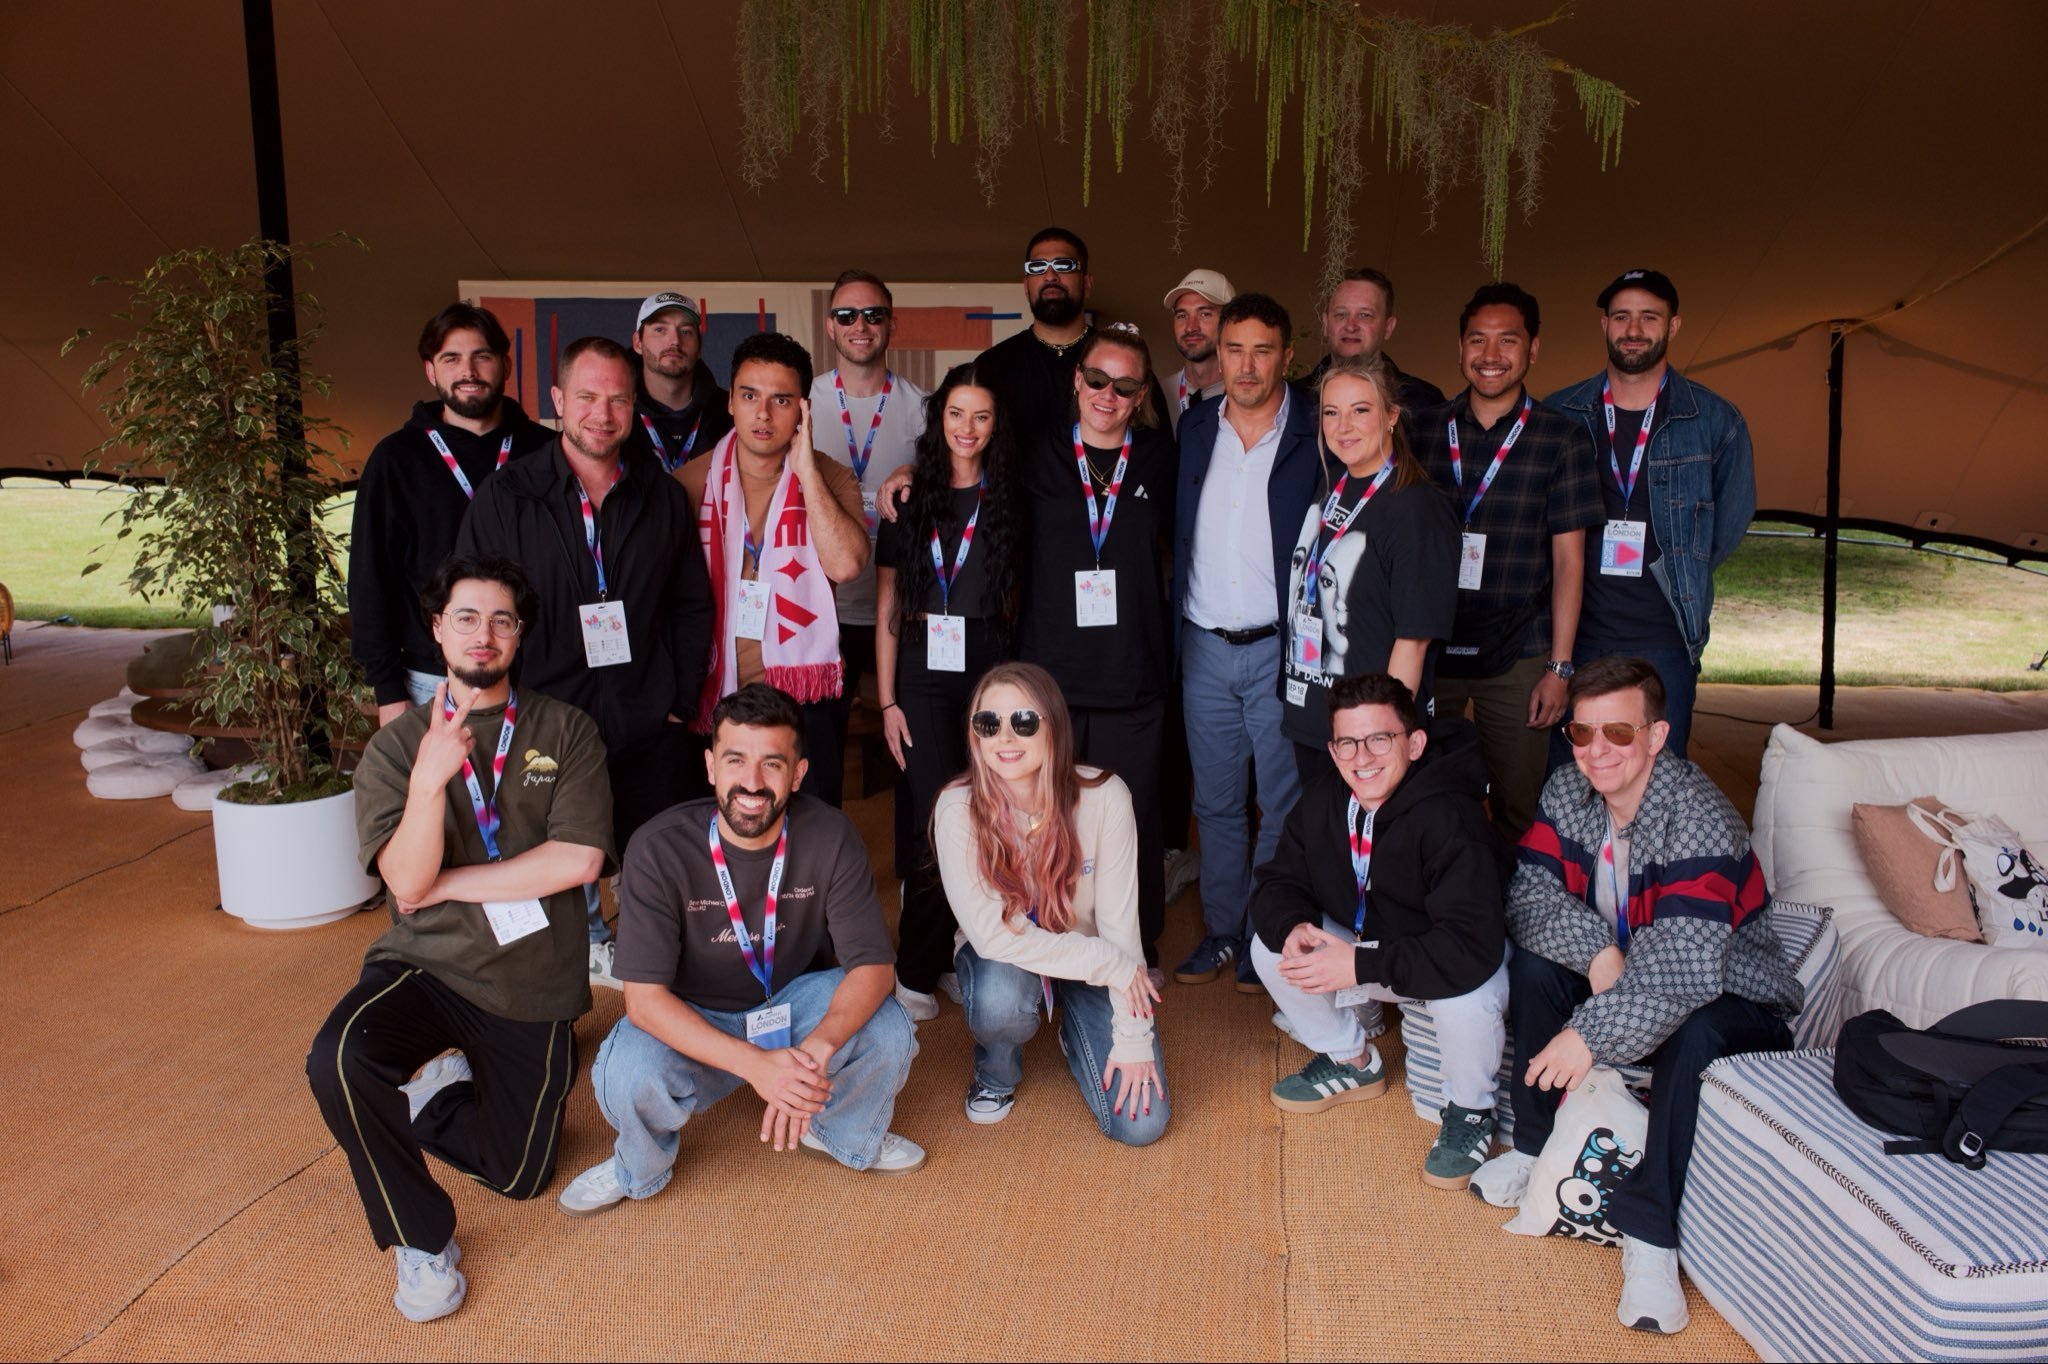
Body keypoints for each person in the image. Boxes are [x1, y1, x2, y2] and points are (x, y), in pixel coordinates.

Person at [305, 553, 614, 1323]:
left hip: (533, 976)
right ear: (438, 629)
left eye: (502, 619)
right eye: (467, 618)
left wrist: (445, 886)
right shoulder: (396, 750)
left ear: (520, 634)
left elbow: (578, 861)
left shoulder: (566, 729)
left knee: (521, 1176)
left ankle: (437, 1098)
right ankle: (421, 1240)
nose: (485, 634)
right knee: (339, 1058)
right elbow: (405, 880)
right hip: (427, 964)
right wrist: (427, 781)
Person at [1469, 655, 1803, 1335]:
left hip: (1736, 998)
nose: (1597, 751)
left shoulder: (1699, 817)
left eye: (1618, 733)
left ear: (1656, 736)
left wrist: (1588, 1034)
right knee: (1535, 967)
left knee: (1697, 1027)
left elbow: (1684, 969)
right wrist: (1599, 955)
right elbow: (1527, 898)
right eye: (1582, 732)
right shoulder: (1568, 789)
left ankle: (1651, 1236)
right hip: (1624, 971)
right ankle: (1535, 1147)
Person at [556, 684, 925, 1217]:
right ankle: (637, 1165)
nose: (752, 782)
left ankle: (837, 1131)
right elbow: (644, 1002)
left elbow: (873, 967)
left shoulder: (831, 834)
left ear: (797, 773)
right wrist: (758, 1067)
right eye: (736, 760)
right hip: (696, 1012)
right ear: (711, 766)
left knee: (889, 1028)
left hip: (791, 1003)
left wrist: (817, 1051)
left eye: (772, 763)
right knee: (627, 1073)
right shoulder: (658, 847)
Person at [457, 336, 716, 989]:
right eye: (587, 397)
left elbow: (691, 605)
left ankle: (647, 948)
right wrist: (499, 706)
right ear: (557, 400)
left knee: (652, 845)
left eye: (618, 400)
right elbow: (477, 609)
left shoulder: (659, 495)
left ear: (635, 407)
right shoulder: (507, 496)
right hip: (546, 715)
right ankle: (587, 945)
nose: (602, 414)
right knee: (557, 845)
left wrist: (680, 699)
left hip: (646, 713)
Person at [1249, 673, 1509, 1189]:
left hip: (1453, 961)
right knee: (1271, 947)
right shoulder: (1323, 798)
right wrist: (1294, 925)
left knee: (1469, 1003)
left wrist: (1358, 965)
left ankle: (1472, 1110)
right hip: (1372, 951)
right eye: (1347, 742)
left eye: (1379, 739)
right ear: (1332, 749)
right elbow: (1277, 882)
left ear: (1415, 743)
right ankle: (1351, 1059)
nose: (1362, 757)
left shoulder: (1450, 816)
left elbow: (1470, 947)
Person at [933, 661, 1168, 1143]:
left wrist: (1133, 1039)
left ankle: (1072, 1029)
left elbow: (1121, 929)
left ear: (1053, 725)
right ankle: (996, 1073)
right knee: (1000, 1000)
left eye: (1023, 721)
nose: (1005, 737)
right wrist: (1112, 965)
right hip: (1010, 956)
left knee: (1141, 1125)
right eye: (988, 723)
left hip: (1087, 956)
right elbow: (994, 936)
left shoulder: (1106, 797)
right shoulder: (957, 808)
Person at [1013, 323, 1178, 974]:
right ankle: (1052, 943)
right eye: (1098, 379)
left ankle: (1135, 945)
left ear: (1141, 394)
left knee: (1131, 819)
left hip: (1131, 672)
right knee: (1048, 818)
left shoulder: (1161, 458)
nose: (1108, 394)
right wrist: (906, 473)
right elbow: (960, 470)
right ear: (1077, 380)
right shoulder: (1035, 452)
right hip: (1049, 673)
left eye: (1125, 385)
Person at [1411, 283, 1602, 846]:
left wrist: (1560, 669)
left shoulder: (1561, 438)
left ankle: (1519, 900)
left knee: (1520, 808)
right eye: (1477, 340)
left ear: (1533, 349)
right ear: (1460, 348)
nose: (1490, 355)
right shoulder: (1421, 431)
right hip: (1431, 645)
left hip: (1521, 652)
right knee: (1424, 795)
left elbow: (1569, 563)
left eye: (1507, 340)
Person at [1169, 292, 1322, 988]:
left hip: (1281, 647)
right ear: (1219, 353)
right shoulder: (1196, 426)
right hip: (1204, 642)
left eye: (1263, 350)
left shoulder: (1316, 429)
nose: (1248, 365)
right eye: (1235, 349)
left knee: (1283, 803)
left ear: (1287, 356)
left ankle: (1267, 932)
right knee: (1215, 803)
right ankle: (1222, 931)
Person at [1544, 270, 1756, 759]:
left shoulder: (1714, 420)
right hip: (1575, 641)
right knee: (1569, 780)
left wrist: (1682, 562)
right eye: (1622, 317)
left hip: (1665, 642)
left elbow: (1730, 520)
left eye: (1649, 317)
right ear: (1604, 325)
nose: (1634, 330)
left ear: (1673, 325)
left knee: (1657, 781)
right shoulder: (1562, 413)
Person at [874, 364, 1020, 1019]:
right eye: (956, 414)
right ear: (939, 420)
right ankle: (913, 969)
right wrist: (887, 701)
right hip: (922, 672)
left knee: (986, 816)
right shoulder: (907, 499)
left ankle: (950, 952)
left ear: (995, 426)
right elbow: (886, 608)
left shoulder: (1009, 496)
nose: (968, 428)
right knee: (938, 820)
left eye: (981, 416)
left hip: (990, 667)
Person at [680, 332, 870, 806]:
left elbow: (847, 565)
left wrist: (806, 475)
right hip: (714, 693)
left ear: (804, 409)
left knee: (814, 826)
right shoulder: (688, 484)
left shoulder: (830, 477)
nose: (763, 414)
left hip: (804, 695)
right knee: (722, 829)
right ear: (730, 401)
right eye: (750, 396)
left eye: (781, 400)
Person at [350, 304, 552, 726]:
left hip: (542, 676)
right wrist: (388, 691)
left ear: (506, 365)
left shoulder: (546, 452)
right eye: (451, 359)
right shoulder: (395, 459)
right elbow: (370, 580)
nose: (468, 371)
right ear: (430, 371)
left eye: (482, 356)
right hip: (432, 681)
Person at [1279, 354, 1460, 780]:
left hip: (1367, 739)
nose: (1343, 426)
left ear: (1392, 415)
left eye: (1360, 410)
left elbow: (1413, 643)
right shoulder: (1331, 485)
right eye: (1331, 412)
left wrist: (1380, 739)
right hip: (1316, 719)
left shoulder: (1416, 508)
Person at [807, 269, 929, 795]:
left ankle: (915, 848)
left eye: (874, 314)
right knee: (819, 757)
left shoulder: (923, 408)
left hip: (897, 609)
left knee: (911, 748)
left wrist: (918, 471)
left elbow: (954, 485)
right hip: (822, 607)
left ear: (892, 325)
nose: (861, 325)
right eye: (847, 315)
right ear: (830, 326)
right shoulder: (803, 404)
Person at [974, 226, 1168, 435]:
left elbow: (1157, 447)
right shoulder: (991, 366)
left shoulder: (1125, 362)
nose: (1050, 276)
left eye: (1064, 265)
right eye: (1037, 267)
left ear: (1087, 284)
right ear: (1026, 287)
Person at [1303, 266, 1446, 415]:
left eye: (1365, 315)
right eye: (1341, 314)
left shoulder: (1426, 402)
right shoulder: (1295, 399)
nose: (1350, 326)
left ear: (1388, 328)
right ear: (1326, 324)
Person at [624, 291, 732, 471]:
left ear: (699, 347)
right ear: (638, 343)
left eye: (686, 331)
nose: (675, 341)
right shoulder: (617, 411)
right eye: (660, 329)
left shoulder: (730, 413)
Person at [1160, 267, 1233, 432]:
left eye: (1205, 314)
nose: (1190, 327)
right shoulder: (1158, 395)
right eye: (1182, 316)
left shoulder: (1248, 394)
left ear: (1231, 321)